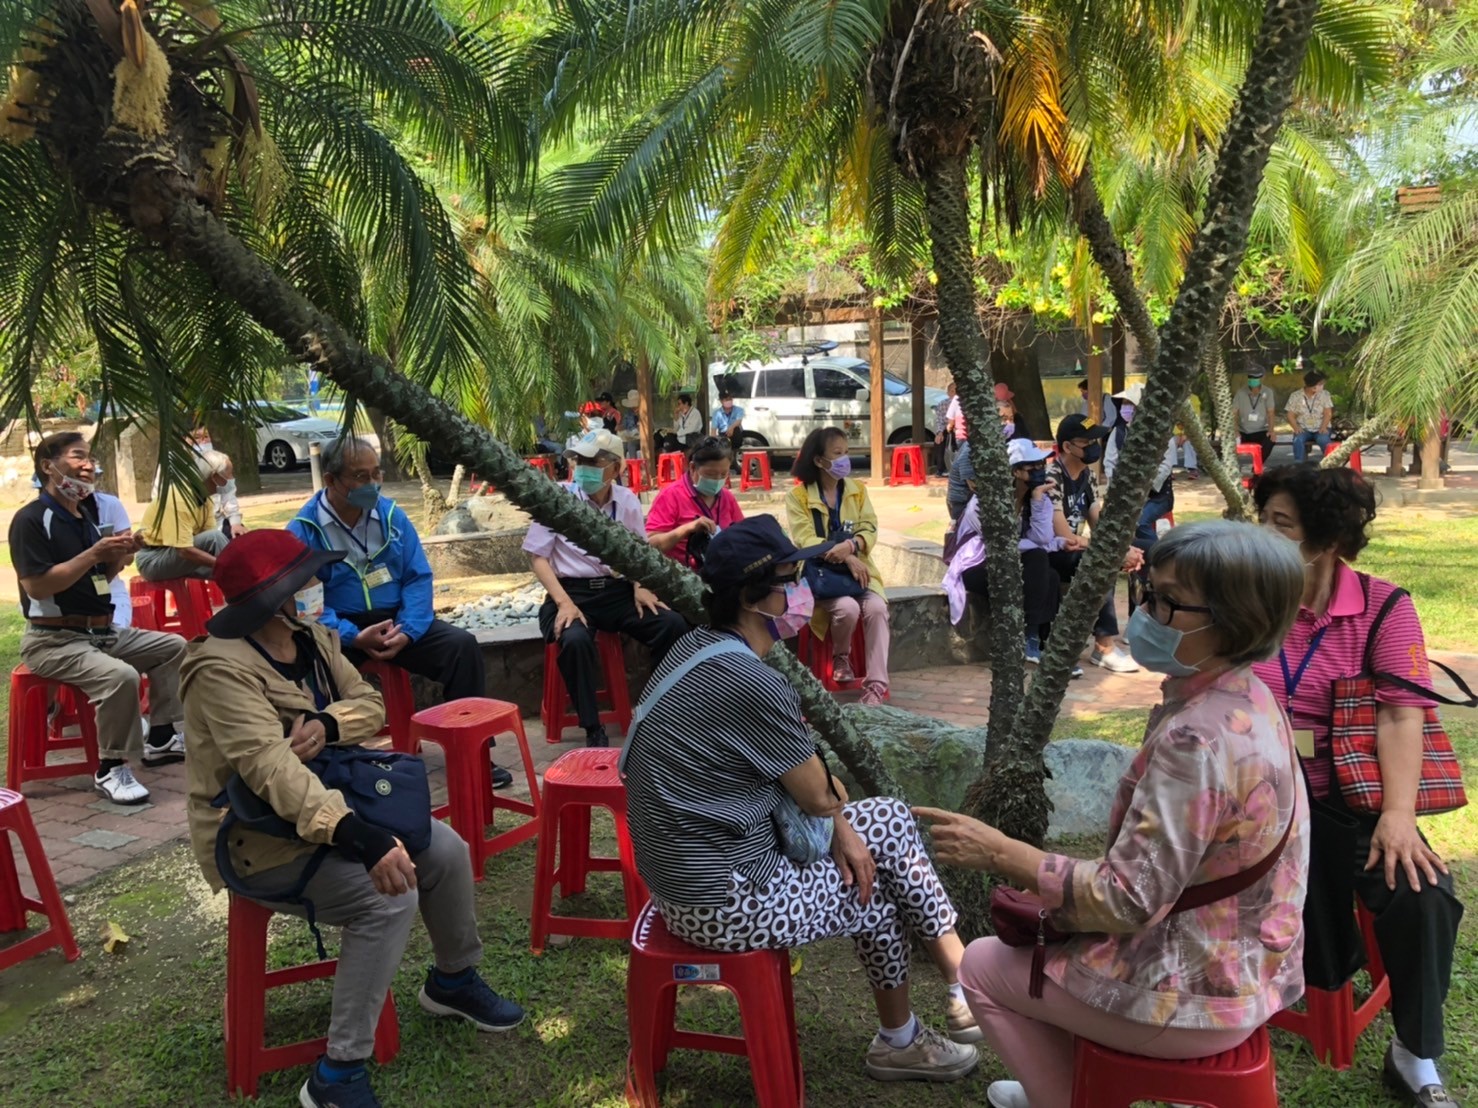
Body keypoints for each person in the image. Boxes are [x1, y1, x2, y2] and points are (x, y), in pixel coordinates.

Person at [916, 520, 1311, 1108]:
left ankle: (1068, 1097)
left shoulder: (1197, 739)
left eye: (1167, 602)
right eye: (1147, 593)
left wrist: (999, 853)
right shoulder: (1250, 698)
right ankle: (1085, 1081)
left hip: (1194, 995)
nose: (1145, 614)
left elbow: (1129, 899)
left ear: (1234, 621)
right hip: (1252, 968)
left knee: (981, 965)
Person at [621, 515, 981, 1081]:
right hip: (723, 903)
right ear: (752, 597)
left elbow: (807, 793)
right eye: (791, 578)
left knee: (873, 837)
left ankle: (949, 997)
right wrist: (836, 808)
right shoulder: (750, 679)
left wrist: (842, 826)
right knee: (877, 868)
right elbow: (816, 794)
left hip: (682, 882)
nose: (802, 590)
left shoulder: (693, 647)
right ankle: (938, 1008)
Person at [181, 530, 525, 1108]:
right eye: (307, 578)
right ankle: (337, 1074)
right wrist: (358, 836)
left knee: (445, 849)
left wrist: (327, 726)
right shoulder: (218, 668)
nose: (318, 586)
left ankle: (453, 980)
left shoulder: (311, 637)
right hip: (260, 837)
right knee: (385, 898)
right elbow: (269, 769)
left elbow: (367, 704)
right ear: (278, 595)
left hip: (334, 803)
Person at [1253, 465, 1464, 1106]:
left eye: (1280, 525)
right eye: (1262, 520)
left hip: (1346, 800)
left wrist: (1398, 813)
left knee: (1421, 892)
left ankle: (1413, 1054)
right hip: (1254, 800)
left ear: (1326, 541)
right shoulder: (1249, 594)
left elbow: (1403, 713)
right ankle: (1242, 1003)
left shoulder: (1384, 608)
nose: (1264, 536)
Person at [285, 438, 508, 787]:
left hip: (397, 619)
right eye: (360, 477)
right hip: (337, 628)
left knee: (461, 647)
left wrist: (409, 629)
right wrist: (351, 636)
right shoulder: (303, 531)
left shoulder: (391, 516)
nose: (372, 485)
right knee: (309, 667)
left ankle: (474, 754)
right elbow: (307, 604)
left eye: (377, 474)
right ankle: (335, 764)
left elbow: (417, 576)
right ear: (330, 480)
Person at [11, 433, 187, 803]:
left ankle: (161, 737)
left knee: (173, 647)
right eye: (78, 457)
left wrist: (118, 558)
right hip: (52, 639)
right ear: (48, 466)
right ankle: (111, 767)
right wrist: (94, 554)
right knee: (120, 677)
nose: (88, 465)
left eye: (90, 458)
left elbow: (98, 583)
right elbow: (38, 588)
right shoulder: (31, 520)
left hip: (100, 632)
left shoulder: (86, 515)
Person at [525, 429, 689, 747]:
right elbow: (538, 559)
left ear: (615, 468)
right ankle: (592, 728)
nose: (583, 468)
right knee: (573, 640)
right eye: (579, 461)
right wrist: (564, 603)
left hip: (616, 591)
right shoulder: (558, 499)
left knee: (672, 625)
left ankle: (656, 710)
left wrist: (640, 586)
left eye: (594, 461)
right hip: (570, 593)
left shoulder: (626, 501)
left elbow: (637, 552)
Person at [786, 427, 890, 705]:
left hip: (859, 575)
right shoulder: (798, 497)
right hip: (821, 577)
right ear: (819, 461)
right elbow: (805, 538)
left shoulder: (857, 491)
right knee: (847, 608)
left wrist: (854, 545)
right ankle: (840, 658)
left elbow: (869, 526)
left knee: (878, 608)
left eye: (847, 452)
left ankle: (877, 685)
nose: (845, 460)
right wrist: (846, 555)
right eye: (837, 454)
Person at [944, 440, 1059, 663]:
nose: (1039, 470)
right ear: (1015, 471)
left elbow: (1042, 537)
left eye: (1041, 464)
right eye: (1032, 467)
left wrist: (1037, 500)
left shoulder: (1038, 497)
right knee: (1037, 557)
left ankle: (1041, 643)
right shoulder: (984, 501)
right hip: (977, 564)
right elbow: (999, 544)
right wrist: (1035, 544)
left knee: (1050, 575)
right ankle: (1030, 639)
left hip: (1010, 561)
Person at [1048, 414, 1142, 676]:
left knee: (1147, 549)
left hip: (1077, 549)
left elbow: (1097, 522)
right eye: (1086, 442)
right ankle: (1104, 648)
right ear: (1067, 447)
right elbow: (1064, 536)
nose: (1094, 447)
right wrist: (1113, 551)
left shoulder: (1087, 476)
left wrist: (1124, 548)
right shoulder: (1052, 477)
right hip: (1051, 552)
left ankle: (1140, 630)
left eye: (1095, 440)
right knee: (1099, 561)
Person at [645, 436, 745, 570]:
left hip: (720, 574)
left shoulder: (726, 497)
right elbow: (650, 545)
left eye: (723, 474)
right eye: (710, 474)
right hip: (680, 577)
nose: (717, 480)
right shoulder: (671, 496)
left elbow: (744, 534)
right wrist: (688, 529)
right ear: (692, 468)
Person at [135, 449, 233, 581]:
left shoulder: (205, 500)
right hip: (153, 559)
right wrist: (223, 565)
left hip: (176, 556)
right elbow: (184, 550)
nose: (231, 480)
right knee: (223, 556)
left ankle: (241, 585)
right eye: (228, 476)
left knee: (224, 570)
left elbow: (206, 538)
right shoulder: (178, 498)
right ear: (213, 476)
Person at [1102, 385, 1179, 546]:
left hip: (1157, 497)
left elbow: (1165, 467)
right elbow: (1110, 463)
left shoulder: (1164, 434)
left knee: (1140, 522)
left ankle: (1160, 555)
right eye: (1123, 404)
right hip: (1124, 494)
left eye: (1130, 404)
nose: (1126, 408)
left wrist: (1143, 489)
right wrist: (1117, 487)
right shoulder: (1118, 433)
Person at [1287, 370, 1334, 462]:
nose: (1322, 386)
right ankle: (1299, 465)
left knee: (1323, 440)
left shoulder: (1325, 394)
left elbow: (1328, 413)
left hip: (1321, 427)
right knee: (1298, 440)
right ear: (1313, 387)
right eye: (1320, 384)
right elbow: (1290, 415)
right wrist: (1296, 427)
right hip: (1304, 428)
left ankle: (1332, 463)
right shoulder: (1295, 396)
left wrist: (1324, 427)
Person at [1233, 368, 1275, 463]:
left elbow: (1271, 412)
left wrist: (1271, 430)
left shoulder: (1268, 392)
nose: (1252, 381)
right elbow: (1234, 413)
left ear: (1262, 378)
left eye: (1255, 378)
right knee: (1229, 442)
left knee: (1271, 440)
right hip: (1243, 431)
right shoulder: (1240, 393)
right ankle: (1232, 469)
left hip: (1260, 430)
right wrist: (1235, 431)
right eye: (1250, 378)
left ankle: (1257, 466)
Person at [711, 391, 746, 468]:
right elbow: (713, 430)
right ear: (721, 401)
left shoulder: (738, 410)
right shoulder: (717, 413)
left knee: (736, 429)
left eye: (730, 399)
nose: (729, 401)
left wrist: (731, 427)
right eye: (726, 399)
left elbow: (738, 421)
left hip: (736, 435)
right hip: (723, 436)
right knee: (722, 441)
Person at [932, 382, 955, 477]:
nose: (954, 393)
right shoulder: (942, 404)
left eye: (956, 391)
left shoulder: (963, 403)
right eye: (952, 391)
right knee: (939, 441)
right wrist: (939, 432)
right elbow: (940, 420)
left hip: (960, 428)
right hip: (947, 427)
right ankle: (940, 469)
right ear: (948, 393)